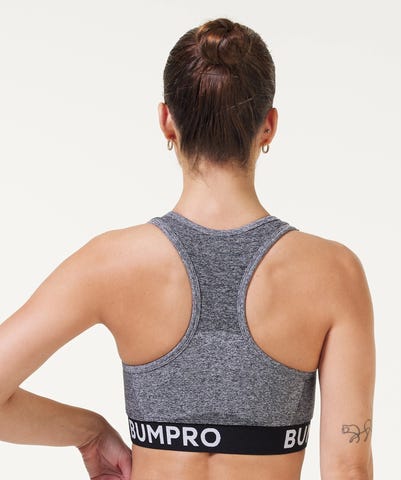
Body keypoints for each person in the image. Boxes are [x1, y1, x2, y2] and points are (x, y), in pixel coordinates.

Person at [0, 17, 375, 480]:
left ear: (166, 121)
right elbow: (348, 468)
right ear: (269, 126)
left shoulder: (110, 263)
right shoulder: (333, 273)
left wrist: (90, 432)